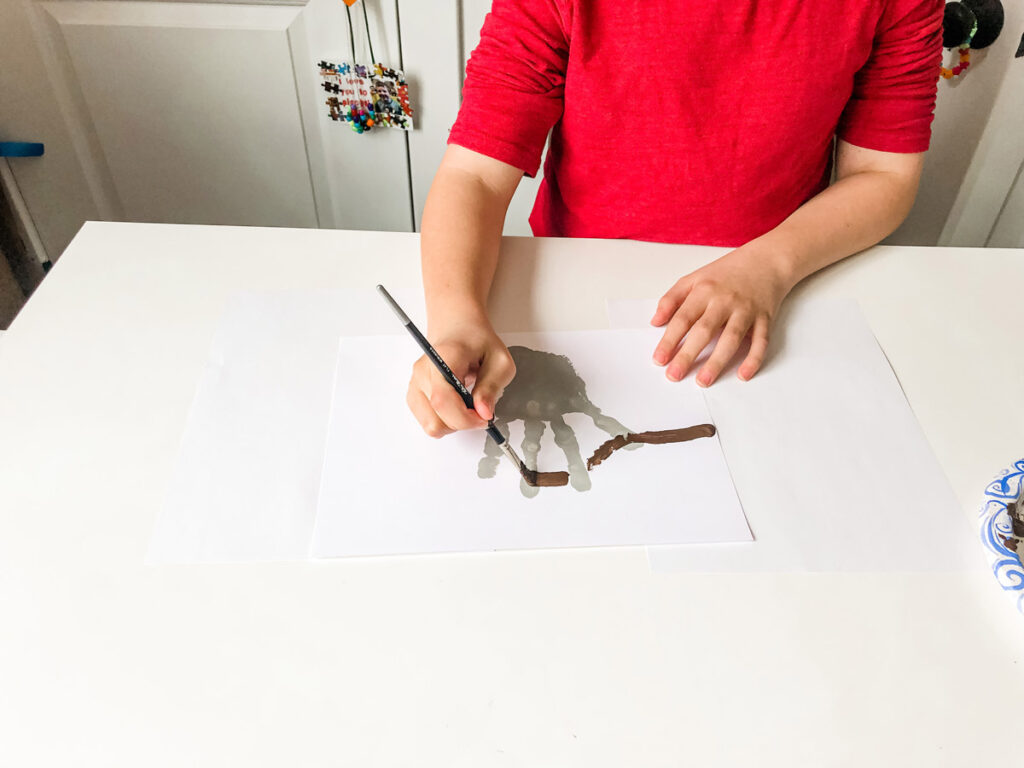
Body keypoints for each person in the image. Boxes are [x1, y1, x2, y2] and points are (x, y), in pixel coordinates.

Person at [407, 0, 942, 439]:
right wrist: (456, 316)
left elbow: (883, 176)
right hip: (584, 283)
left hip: (788, 278)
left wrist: (771, 265)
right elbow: (474, 174)